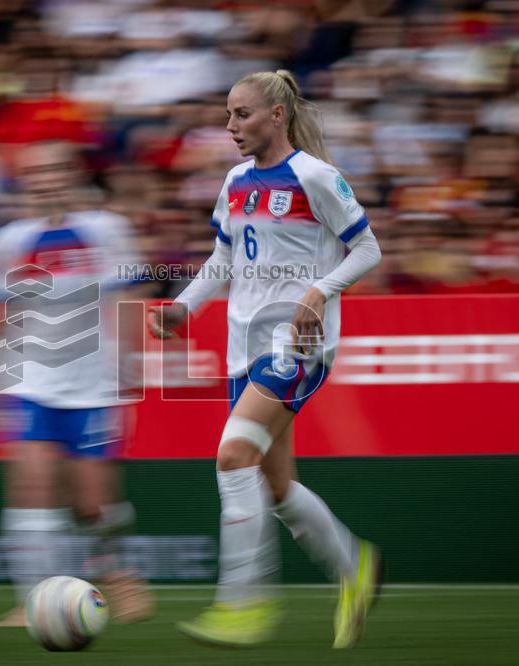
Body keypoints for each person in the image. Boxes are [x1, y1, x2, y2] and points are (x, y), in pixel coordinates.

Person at [149, 70, 383, 648]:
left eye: (243, 114)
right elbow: (224, 258)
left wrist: (317, 291)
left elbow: (369, 248)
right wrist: (184, 308)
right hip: (244, 347)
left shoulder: (316, 177)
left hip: (297, 345)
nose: (231, 127)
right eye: (228, 115)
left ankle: (242, 604)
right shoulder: (234, 180)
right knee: (276, 489)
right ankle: (355, 566)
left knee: (233, 457)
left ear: (277, 115)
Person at [0, 141, 153, 627]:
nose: (47, 178)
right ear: (25, 180)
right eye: (37, 171)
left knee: (93, 503)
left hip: (93, 384)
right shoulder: (5, 242)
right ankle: (33, 597)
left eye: (57, 168)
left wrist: (129, 371)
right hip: (28, 380)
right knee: (30, 487)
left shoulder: (108, 230)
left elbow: (130, 299)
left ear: (73, 174)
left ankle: (119, 575)